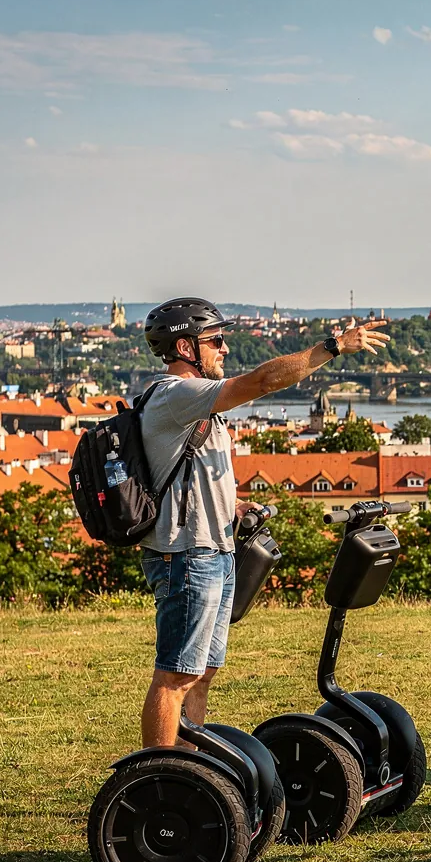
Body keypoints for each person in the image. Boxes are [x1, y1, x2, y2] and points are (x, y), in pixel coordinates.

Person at [137, 297, 390, 749]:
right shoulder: (177, 394)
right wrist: (331, 347)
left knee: (202, 672)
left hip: (213, 550)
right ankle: (159, 777)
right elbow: (263, 380)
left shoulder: (198, 408)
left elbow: (185, 474)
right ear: (185, 346)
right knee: (176, 675)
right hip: (185, 555)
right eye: (215, 341)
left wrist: (230, 506)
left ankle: (192, 766)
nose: (224, 349)